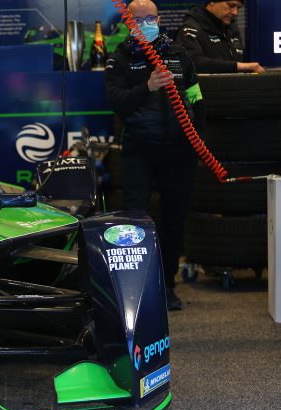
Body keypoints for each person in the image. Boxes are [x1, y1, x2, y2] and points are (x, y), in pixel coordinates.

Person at [105, 0, 206, 310]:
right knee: (136, 219)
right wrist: (147, 87)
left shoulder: (178, 53)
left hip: (179, 151)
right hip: (140, 150)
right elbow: (116, 102)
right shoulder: (119, 59)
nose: (146, 24)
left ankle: (168, 285)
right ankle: (137, 288)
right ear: (128, 23)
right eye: (139, 20)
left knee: (175, 220)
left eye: (151, 18)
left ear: (160, 20)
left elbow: (196, 97)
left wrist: (199, 138)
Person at [174, 0, 264, 74]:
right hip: (206, 89)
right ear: (213, 2)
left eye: (238, 8)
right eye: (231, 5)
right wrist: (238, 66)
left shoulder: (232, 27)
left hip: (233, 87)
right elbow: (192, 62)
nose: (235, 12)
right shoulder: (190, 28)